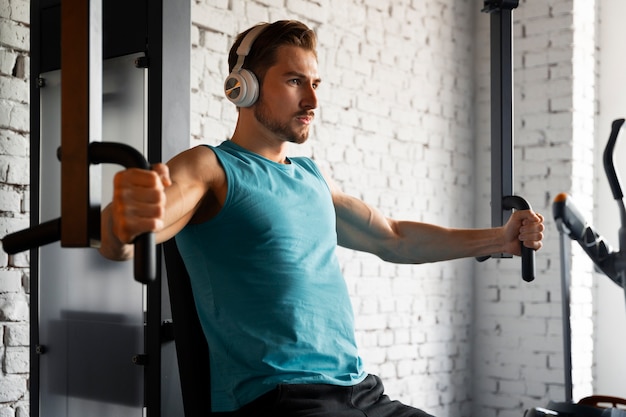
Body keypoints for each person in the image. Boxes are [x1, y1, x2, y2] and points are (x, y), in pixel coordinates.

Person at [100, 20, 545, 417]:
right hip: (282, 400)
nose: (312, 99)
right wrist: (123, 223)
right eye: (295, 81)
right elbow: (131, 235)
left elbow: (394, 238)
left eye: (316, 83)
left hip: (361, 393)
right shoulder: (211, 168)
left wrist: (499, 239)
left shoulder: (311, 176)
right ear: (243, 87)